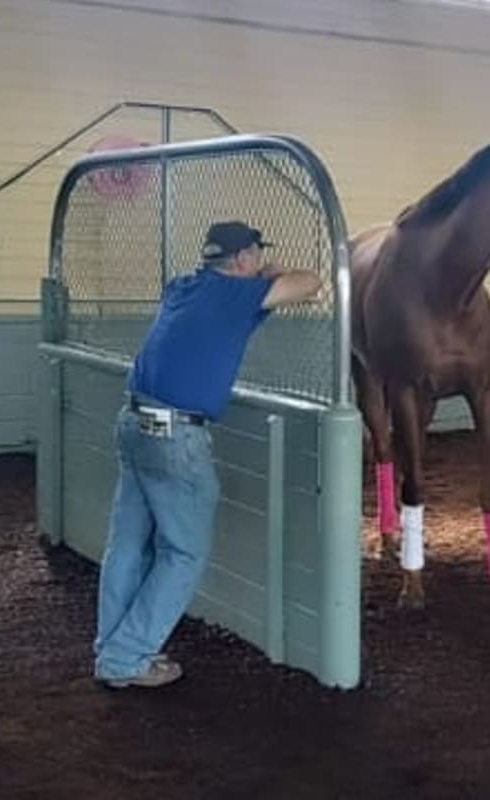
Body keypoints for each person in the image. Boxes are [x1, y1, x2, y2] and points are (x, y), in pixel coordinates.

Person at [93, 221, 322, 688]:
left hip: (135, 421)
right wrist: (271, 272)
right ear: (242, 261)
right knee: (183, 553)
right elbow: (312, 283)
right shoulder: (236, 294)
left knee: (128, 544)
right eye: (257, 254)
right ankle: (124, 658)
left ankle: (114, 649)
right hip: (174, 435)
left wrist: (260, 277)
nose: (260, 261)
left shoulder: (183, 286)